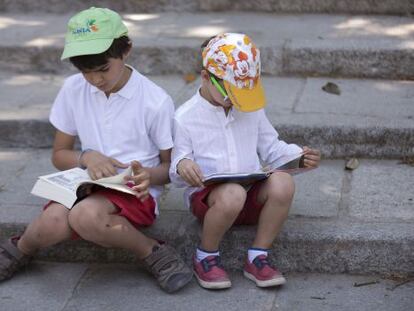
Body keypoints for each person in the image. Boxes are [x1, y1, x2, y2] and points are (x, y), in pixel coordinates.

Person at [0, 7, 192, 293]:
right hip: (85, 185)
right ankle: (19, 248)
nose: (95, 80)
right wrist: (86, 157)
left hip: (134, 192)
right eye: (85, 71)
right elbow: (59, 154)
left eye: (103, 69)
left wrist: (147, 176)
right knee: (51, 222)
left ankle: (153, 252)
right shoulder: (72, 89)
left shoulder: (154, 101)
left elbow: (170, 168)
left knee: (84, 217)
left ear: (126, 50)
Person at [169, 33, 321, 289]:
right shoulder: (185, 117)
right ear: (207, 77)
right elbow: (176, 165)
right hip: (211, 202)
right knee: (232, 194)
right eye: (231, 93)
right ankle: (206, 257)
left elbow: (272, 148)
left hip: (251, 196)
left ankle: (258, 257)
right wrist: (184, 165)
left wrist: (298, 157)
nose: (238, 101)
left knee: (282, 183)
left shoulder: (250, 108)